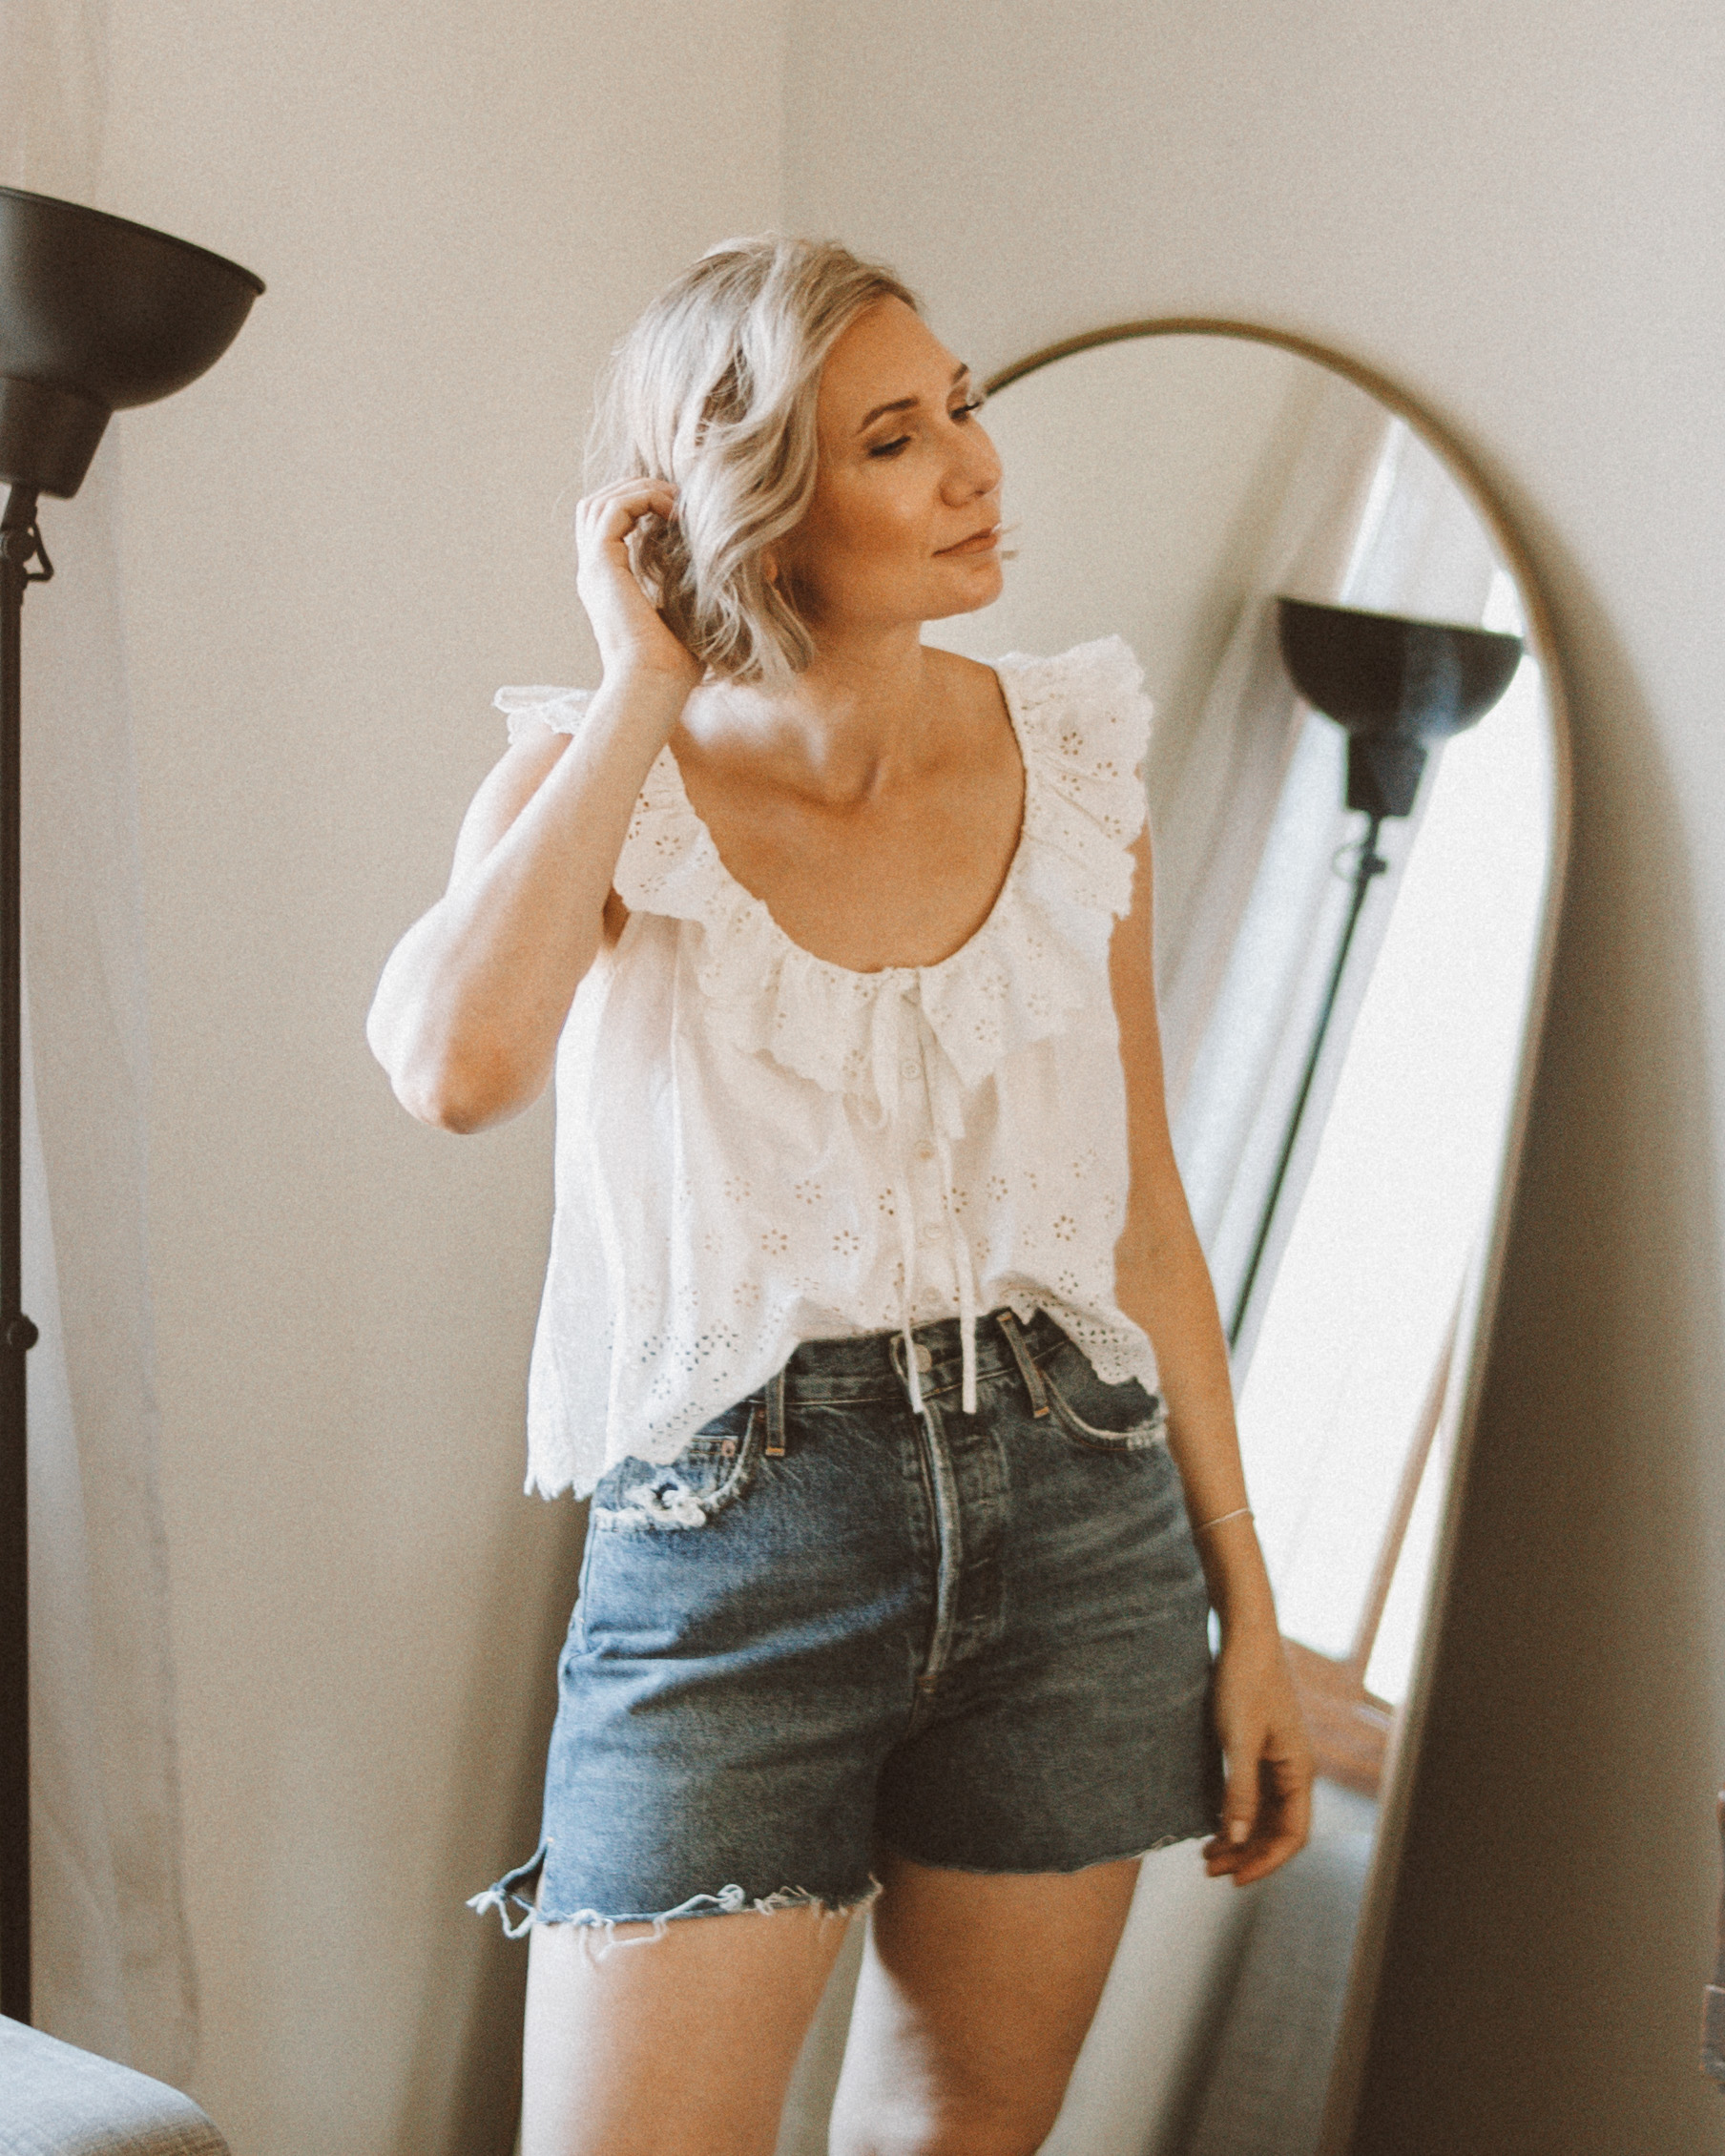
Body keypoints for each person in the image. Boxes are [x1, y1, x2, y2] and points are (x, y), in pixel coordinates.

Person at [366, 237, 1312, 2156]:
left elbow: (1139, 1220)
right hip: (733, 1551)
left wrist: (1252, 1605)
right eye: (897, 437)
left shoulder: (1072, 755)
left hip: (1079, 1527)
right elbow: (454, 1072)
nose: (974, 464)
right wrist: (644, 673)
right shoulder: (589, 782)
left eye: (959, 405)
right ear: (751, 517)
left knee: (962, 2125)